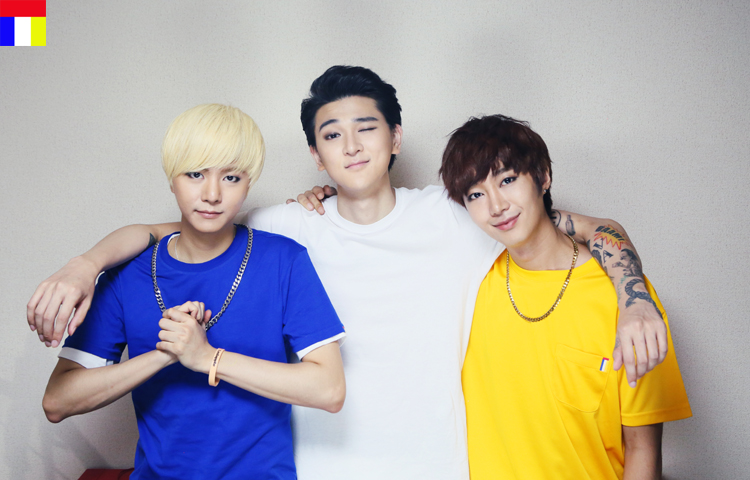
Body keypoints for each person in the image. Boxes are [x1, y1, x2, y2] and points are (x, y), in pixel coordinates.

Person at [30, 67, 666, 479]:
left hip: (438, 466)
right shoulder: (286, 225)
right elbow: (176, 229)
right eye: (333, 135)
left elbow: (585, 227)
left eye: (367, 128)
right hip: (318, 469)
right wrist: (85, 265)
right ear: (316, 153)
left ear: (395, 138)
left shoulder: (455, 213)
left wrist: (634, 298)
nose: (353, 145)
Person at [41, 104, 346, 480]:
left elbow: (329, 389)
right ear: (172, 178)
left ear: (248, 182)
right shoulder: (129, 273)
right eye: (195, 174)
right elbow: (57, 401)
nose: (212, 194)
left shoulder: (283, 260)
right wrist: (164, 355)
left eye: (231, 177)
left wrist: (207, 357)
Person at [440, 114, 691, 479]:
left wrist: (633, 299)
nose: (496, 205)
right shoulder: (469, 283)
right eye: (476, 195)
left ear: (543, 176)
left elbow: (643, 449)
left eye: (508, 180)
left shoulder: (626, 300)